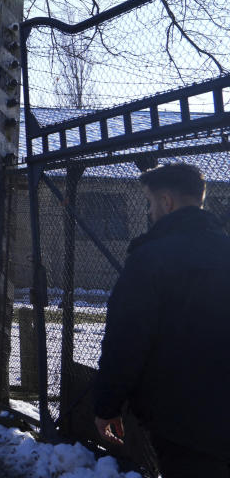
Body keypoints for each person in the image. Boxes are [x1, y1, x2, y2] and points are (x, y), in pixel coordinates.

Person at [94, 162, 230, 477]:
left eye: (151, 203)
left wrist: (107, 406)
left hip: (180, 418)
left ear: (166, 202)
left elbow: (126, 340)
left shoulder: (150, 258)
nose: (150, 212)